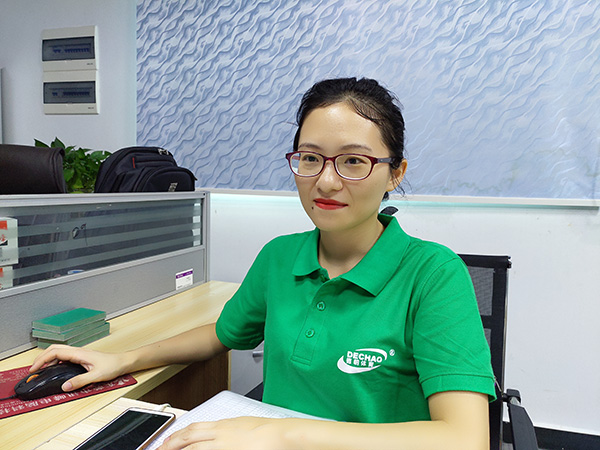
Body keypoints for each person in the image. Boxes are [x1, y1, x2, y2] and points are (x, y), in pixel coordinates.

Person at [31, 77, 495, 450]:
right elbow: (222, 334)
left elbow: (464, 438)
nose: (326, 182)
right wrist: (124, 359)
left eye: (353, 161)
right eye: (311, 158)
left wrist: (283, 435)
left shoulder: (434, 275)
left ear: (395, 172)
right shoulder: (279, 256)